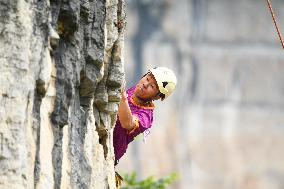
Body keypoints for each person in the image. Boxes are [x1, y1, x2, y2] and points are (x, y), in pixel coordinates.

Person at [113, 67, 177, 187]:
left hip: (108, 154)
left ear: (158, 97)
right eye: (147, 78)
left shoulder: (145, 117)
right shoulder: (134, 91)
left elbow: (127, 123)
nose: (145, 84)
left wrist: (122, 97)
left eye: (152, 86)